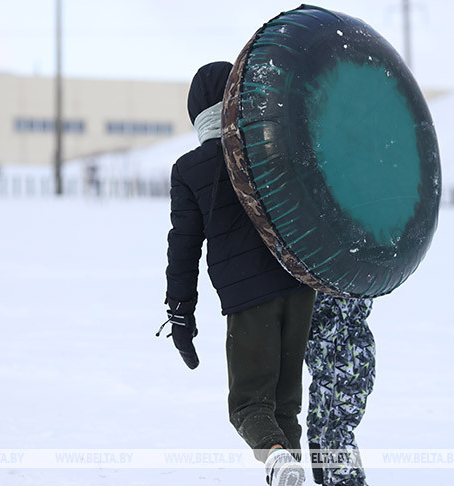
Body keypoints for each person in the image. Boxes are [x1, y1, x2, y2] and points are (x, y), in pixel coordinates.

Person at [162, 61, 316, 486]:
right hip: (300, 287)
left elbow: (184, 248)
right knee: (285, 406)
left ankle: (278, 461)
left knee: (249, 406)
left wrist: (180, 314)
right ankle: (287, 465)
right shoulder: (274, 147)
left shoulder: (190, 169)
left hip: (250, 300)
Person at [305, 293, 376, 486]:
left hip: (330, 337)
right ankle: (343, 479)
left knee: (326, 411)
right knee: (337, 420)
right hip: (341, 340)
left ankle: (326, 473)